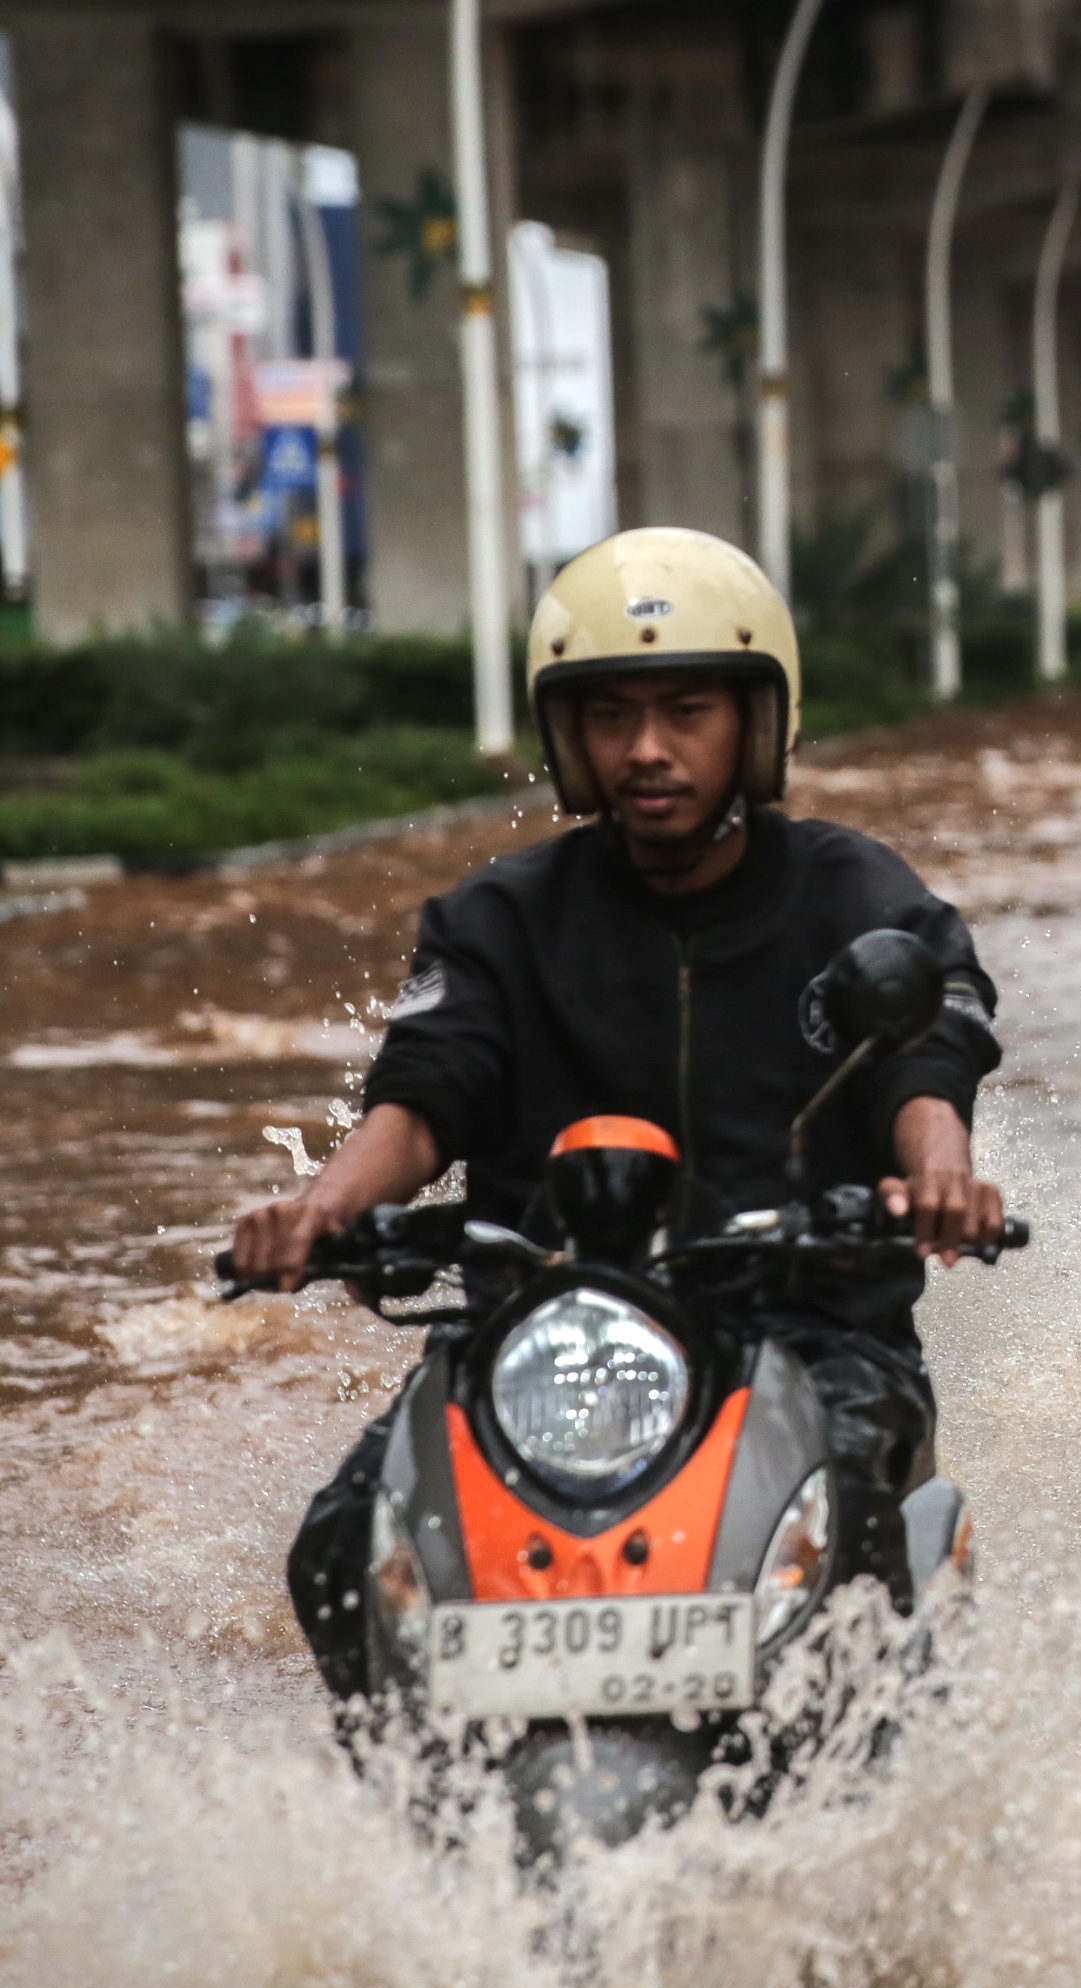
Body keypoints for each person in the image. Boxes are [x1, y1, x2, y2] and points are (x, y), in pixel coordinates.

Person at [229, 526, 1009, 1701]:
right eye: (610, 717)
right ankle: (417, 1808)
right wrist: (320, 1209)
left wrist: (940, 1174)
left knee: (853, 1520)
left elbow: (925, 1056)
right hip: (541, 1341)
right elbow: (423, 1092)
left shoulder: (852, 894)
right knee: (344, 1543)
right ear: (571, 740)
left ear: (755, 719)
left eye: (686, 709)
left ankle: (873, 1794)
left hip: (808, 1331)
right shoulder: (499, 918)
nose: (647, 748)